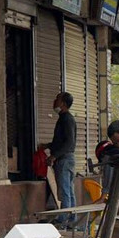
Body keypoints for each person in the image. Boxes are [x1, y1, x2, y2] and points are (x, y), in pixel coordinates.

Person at [45, 92, 77, 227]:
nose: (54, 101)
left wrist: (54, 155)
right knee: (68, 190)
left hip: (64, 160)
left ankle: (64, 219)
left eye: (57, 99)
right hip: (65, 159)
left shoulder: (67, 119)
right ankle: (71, 219)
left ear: (63, 103)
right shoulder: (63, 118)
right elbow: (61, 142)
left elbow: (69, 143)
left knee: (65, 190)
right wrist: (47, 146)